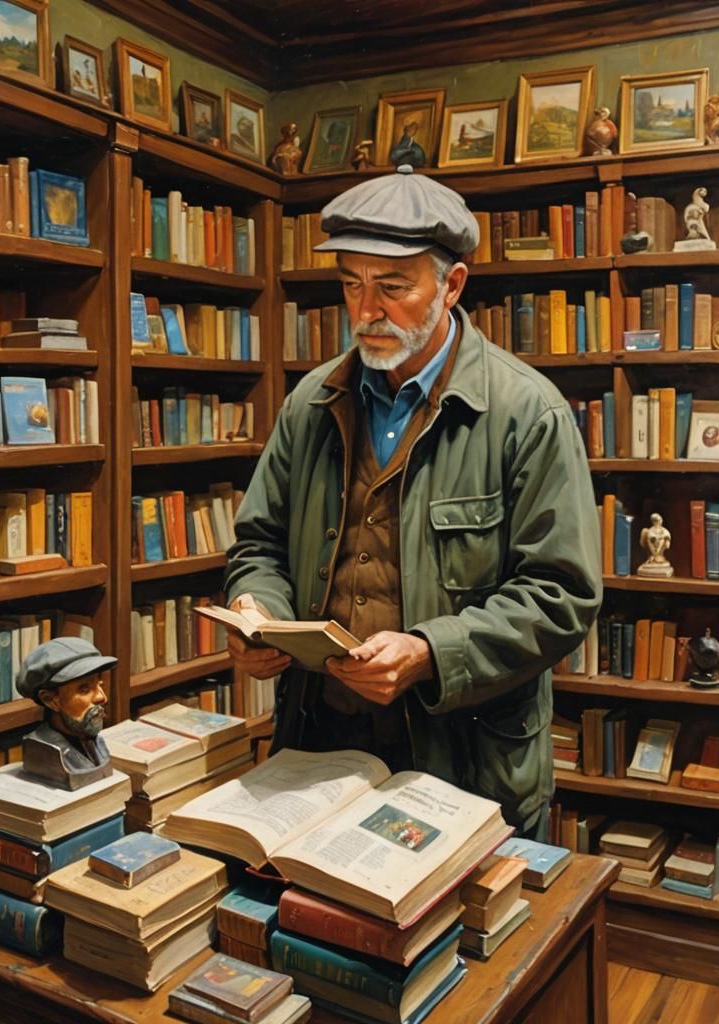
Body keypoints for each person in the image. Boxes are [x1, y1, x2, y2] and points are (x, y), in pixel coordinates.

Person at [224, 165, 601, 837]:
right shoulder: (311, 403)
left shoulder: (526, 412)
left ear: (452, 284)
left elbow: (561, 593)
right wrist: (261, 613)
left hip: (463, 757)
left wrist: (432, 651)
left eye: (392, 287)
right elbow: (259, 544)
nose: (366, 310)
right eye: (351, 284)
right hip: (318, 743)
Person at [16, 636, 116, 790]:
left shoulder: (94, 740)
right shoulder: (45, 751)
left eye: (99, 685)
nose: (102, 697)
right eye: (85, 689)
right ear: (51, 700)